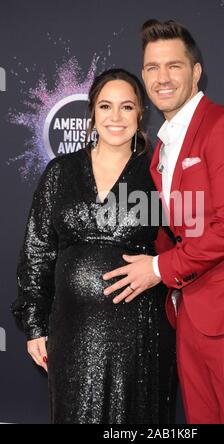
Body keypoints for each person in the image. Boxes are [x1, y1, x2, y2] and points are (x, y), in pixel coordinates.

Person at [102, 20, 224, 424]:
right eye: (152, 67)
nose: (162, 77)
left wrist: (157, 269)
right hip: (195, 318)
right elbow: (179, 228)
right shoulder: (162, 149)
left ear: (196, 72)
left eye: (174, 66)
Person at [11, 68, 177, 424]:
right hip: (71, 332)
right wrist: (35, 325)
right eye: (105, 106)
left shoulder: (157, 174)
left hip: (140, 334)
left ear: (140, 114)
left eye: (126, 107)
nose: (115, 117)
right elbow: (38, 251)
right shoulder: (61, 172)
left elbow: (187, 246)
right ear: (92, 113)